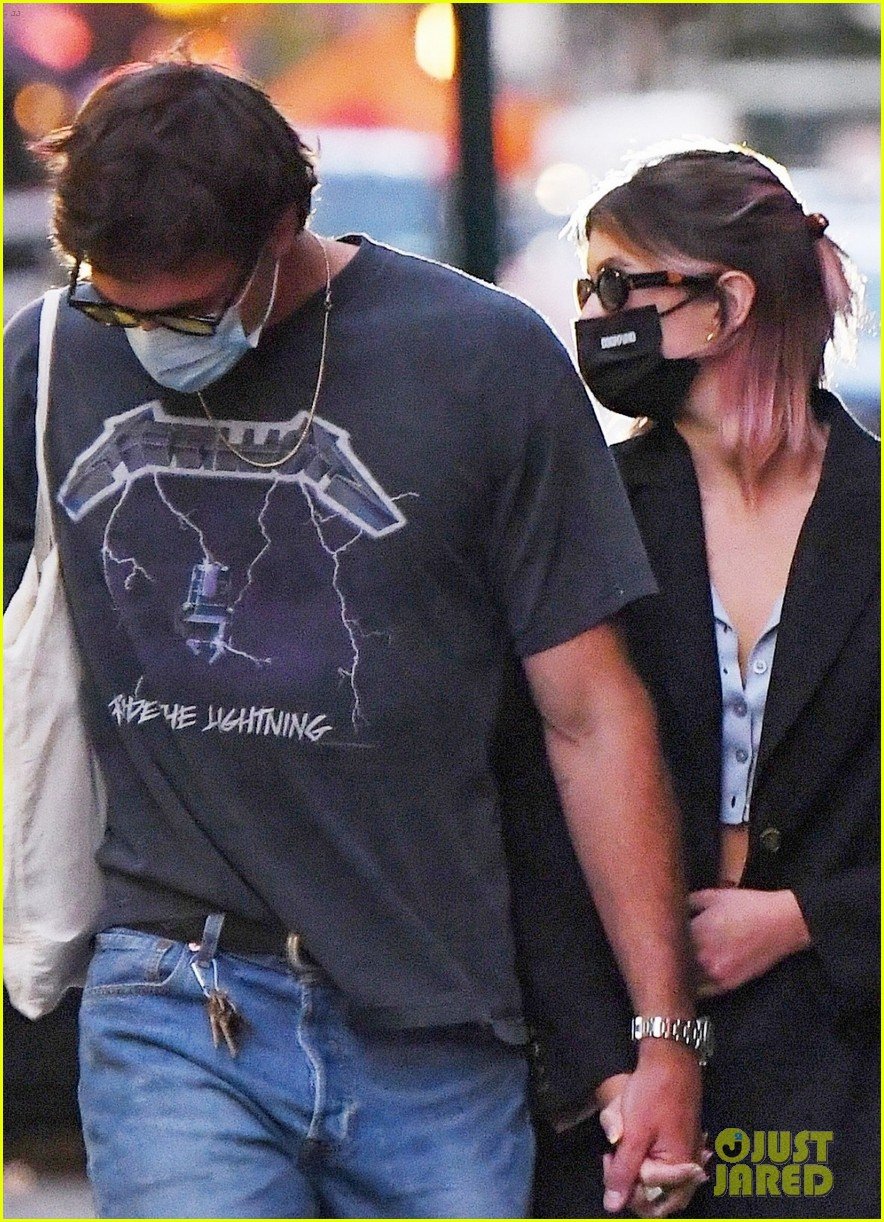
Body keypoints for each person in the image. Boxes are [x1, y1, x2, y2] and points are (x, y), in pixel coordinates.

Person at [3, 59, 709, 1219]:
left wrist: (661, 1034)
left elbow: (590, 713)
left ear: (285, 228)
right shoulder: (46, 360)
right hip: (175, 988)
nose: (143, 340)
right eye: (114, 306)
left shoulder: (478, 357)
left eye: (181, 312)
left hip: (434, 1013)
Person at [523, 143, 879, 1218]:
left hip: (848, 1069)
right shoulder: (589, 515)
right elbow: (529, 810)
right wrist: (610, 1069)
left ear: (724, 303)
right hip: (625, 1079)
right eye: (587, 288)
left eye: (618, 286)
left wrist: (804, 918)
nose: (593, 316)